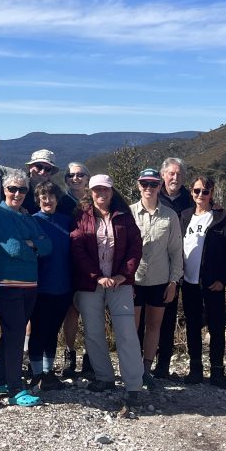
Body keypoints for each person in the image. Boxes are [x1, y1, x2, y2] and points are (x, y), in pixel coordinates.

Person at [71, 174, 144, 408]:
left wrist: (123, 275)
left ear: (112, 192)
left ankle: (133, 385)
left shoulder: (124, 216)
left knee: (127, 334)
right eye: (96, 190)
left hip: (120, 283)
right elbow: (77, 247)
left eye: (105, 190)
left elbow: (135, 247)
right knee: (93, 333)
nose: (101, 195)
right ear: (90, 192)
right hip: (90, 283)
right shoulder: (81, 216)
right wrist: (98, 276)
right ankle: (105, 377)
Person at [0, 170, 52, 407]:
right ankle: (15, 389)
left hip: (28, 284)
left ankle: (2, 379)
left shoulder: (27, 216)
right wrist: (32, 246)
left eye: (22, 189)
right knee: (15, 334)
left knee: (11, 334)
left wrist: (32, 244)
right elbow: (13, 249)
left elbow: (48, 245)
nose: (17, 193)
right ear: (4, 190)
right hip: (6, 285)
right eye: (12, 188)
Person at [179, 175, 226, 389]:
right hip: (189, 282)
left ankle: (217, 372)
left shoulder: (221, 217)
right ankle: (195, 370)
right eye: (197, 191)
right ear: (191, 193)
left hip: (213, 283)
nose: (200, 195)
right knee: (193, 326)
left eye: (205, 191)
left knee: (216, 327)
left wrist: (223, 280)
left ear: (212, 193)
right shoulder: (184, 217)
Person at [130, 168, 183, 388]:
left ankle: (145, 371)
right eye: (145, 184)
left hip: (160, 281)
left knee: (154, 327)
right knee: (131, 329)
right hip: (133, 281)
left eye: (153, 184)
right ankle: (130, 370)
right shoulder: (129, 212)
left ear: (160, 186)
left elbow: (176, 252)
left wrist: (173, 282)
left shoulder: (170, 216)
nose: (149, 188)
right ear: (138, 185)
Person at [151, 157, 195, 379]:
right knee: (150, 318)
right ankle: (145, 363)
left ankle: (163, 366)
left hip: (183, 268)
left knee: (168, 318)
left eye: (179, 174)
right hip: (155, 267)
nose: (175, 178)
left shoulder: (192, 199)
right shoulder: (153, 196)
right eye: (171, 173)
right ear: (163, 175)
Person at [27, 181, 72, 391]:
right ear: (38, 200)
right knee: (38, 330)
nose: (47, 200)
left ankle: (48, 372)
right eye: (43, 197)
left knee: (53, 330)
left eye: (51, 196)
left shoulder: (67, 221)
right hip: (40, 286)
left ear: (57, 199)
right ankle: (36, 374)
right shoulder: (32, 221)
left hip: (64, 286)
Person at [57, 162, 91, 378]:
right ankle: (70, 354)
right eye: (71, 175)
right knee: (71, 312)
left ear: (87, 178)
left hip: (90, 264)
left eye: (80, 175)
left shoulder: (95, 200)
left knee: (90, 312)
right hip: (66, 263)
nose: (75, 178)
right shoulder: (61, 202)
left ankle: (91, 356)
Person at [22, 149, 60, 214]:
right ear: (30, 167)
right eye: (39, 167)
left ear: (51, 172)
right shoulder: (18, 188)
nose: (42, 172)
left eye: (48, 169)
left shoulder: (56, 192)